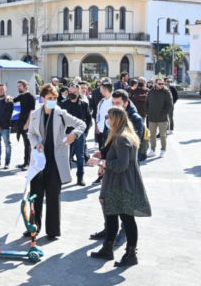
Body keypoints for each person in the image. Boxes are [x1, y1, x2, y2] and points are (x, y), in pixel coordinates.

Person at [87, 107, 151, 266]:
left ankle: (131, 254)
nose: (107, 120)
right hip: (117, 183)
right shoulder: (120, 134)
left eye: (109, 117)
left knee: (127, 218)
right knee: (111, 215)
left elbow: (122, 165)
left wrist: (101, 162)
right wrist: (103, 158)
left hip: (122, 184)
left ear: (115, 119)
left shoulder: (122, 138)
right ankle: (107, 249)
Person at [27, 84, 86, 239]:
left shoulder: (61, 113)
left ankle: (53, 231)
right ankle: (33, 226)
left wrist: (74, 134)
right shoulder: (35, 114)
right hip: (39, 160)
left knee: (53, 196)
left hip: (55, 161)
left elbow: (82, 124)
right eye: (49, 98)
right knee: (35, 195)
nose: (52, 100)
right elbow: (31, 134)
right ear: (42, 99)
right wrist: (36, 144)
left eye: (54, 98)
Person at [88, 89, 145, 242]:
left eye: (118, 103)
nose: (114, 106)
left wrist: (104, 162)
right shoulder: (113, 116)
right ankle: (109, 230)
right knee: (108, 201)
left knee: (124, 207)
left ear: (126, 103)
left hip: (125, 170)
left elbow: (132, 148)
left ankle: (124, 234)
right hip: (112, 167)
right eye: (113, 103)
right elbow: (110, 141)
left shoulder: (134, 119)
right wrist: (102, 157)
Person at [60, 83, 92, 186]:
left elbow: (88, 120)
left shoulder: (84, 105)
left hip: (79, 134)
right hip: (66, 134)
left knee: (80, 156)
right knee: (66, 156)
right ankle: (66, 177)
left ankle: (80, 178)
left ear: (79, 93)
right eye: (70, 92)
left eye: (74, 92)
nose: (72, 94)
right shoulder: (62, 104)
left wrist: (84, 132)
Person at [145, 79, 174, 157]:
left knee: (163, 135)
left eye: (162, 83)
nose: (161, 85)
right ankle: (152, 150)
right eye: (159, 83)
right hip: (152, 117)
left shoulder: (166, 92)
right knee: (152, 135)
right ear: (155, 83)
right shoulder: (151, 91)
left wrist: (164, 113)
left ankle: (163, 150)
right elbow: (147, 102)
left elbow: (169, 104)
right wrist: (147, 112)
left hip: (162, 118)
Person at [15, 80, 36, 170]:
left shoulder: (31, 97)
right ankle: (25, 162)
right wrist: (8, 98)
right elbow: (13, 100)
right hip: (22, 122)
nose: (18, 88)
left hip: (28, 123)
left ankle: (28, 163)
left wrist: (27, 124)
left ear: (25, 86)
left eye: (20, 86)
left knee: (28, 144)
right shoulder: (21, 96)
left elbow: (32, 112)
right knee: (25, 144)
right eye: (18, 86)